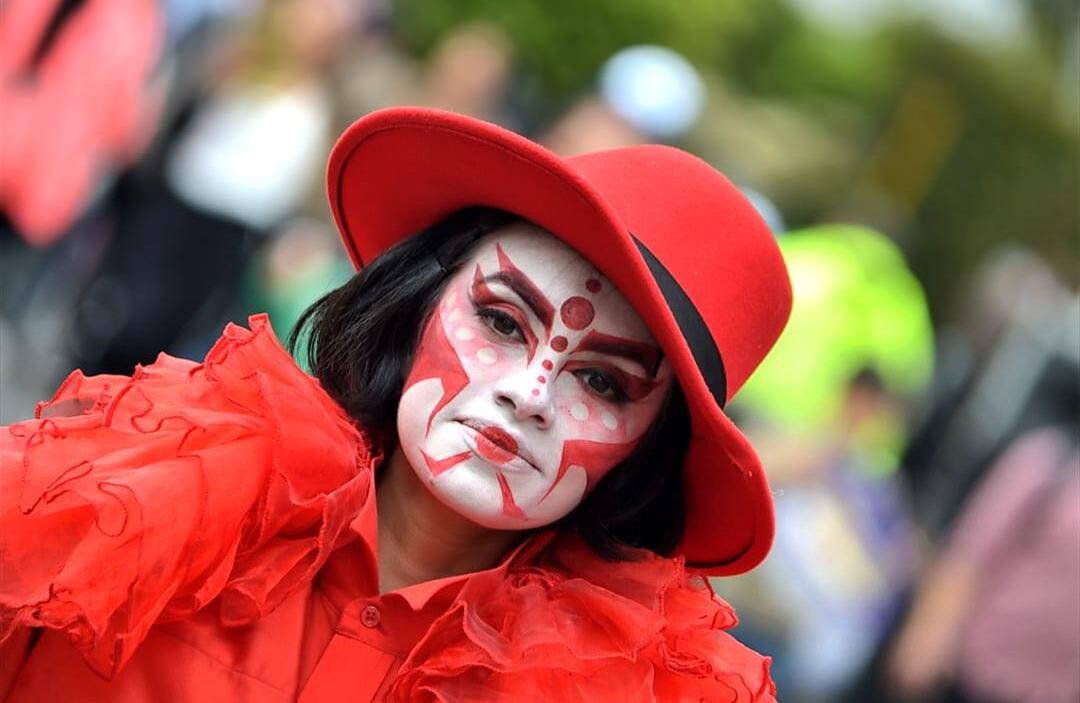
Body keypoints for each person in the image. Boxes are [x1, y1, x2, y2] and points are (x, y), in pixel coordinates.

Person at [0, 107, 792, 701]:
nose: (530, 391)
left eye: (604, 381)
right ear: (420, 299)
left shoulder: (622, 686)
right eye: (500, 321)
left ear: (648, 448)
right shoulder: (162, 480)